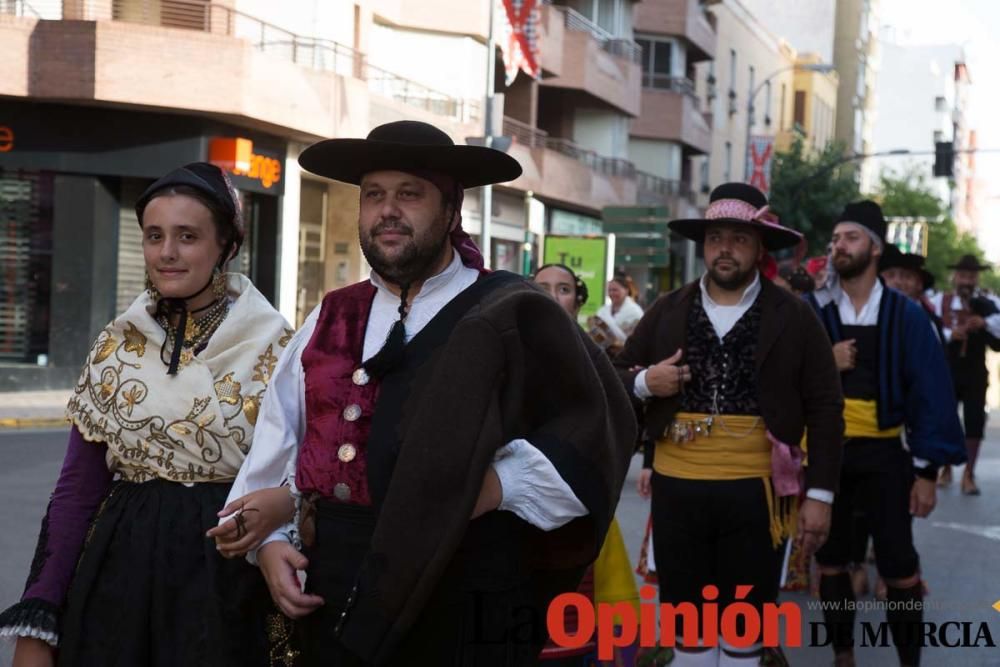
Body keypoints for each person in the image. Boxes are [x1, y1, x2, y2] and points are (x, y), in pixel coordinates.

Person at [223, 120, 637, 666]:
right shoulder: (332, 316)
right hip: (337, 588)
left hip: (465, 583)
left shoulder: (510, 311)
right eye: (374, 195)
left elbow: (595, 431)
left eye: (409, 194)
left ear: (451, 209)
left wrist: (494, 485)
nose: (387, 211)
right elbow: (282, 440)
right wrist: (274, 541)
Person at [0, 163, 292, 666]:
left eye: (187, 236)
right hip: (119, 572)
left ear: (227, 244)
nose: (167, 253)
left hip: (228, 575)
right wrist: (40, 615)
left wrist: (285, 506)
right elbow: (77, 489)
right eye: (154, 236)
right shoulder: (116, 346)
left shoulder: (279, 346)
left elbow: (308, 473)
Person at [615, 183, 844, 666]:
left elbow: (825, 406)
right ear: (703, 245)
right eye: (716, 237)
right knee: (688, 631)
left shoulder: (794, 317)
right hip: (678, 491)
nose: (725, 248)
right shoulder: (667, 309)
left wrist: (820, 496)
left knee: (745, 632)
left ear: (759, 247)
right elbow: (613, 377)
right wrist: (645, 383)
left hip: (758, 492)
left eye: (739, 238)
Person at [807, 200, 965, 667]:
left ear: (874, 249)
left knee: (898, 564)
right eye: (835, 239)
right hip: (827, 454)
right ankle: (843, 654)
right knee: (832, 561)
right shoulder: (811, 311)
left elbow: (932, 394)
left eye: (850, 238)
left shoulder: (907, 315)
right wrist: (824, 363)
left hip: (885, 456)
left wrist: (926, 471)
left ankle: (909, 661)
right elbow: (782, 376)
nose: (839, 246)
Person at [533, 263, 642, 666]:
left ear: (577, 302)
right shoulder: (500, 346)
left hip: (582, 500)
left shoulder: (592, 356)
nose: (550, 295)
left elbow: (618, 417)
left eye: (562, 289)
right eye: (541, 287)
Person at [927, 254, 1000, 495]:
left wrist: (985, 323)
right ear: (954, 277)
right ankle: (945, 467)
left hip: (975, 373)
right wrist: (950, 335)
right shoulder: (939, 302)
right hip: (945, 371)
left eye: (971, 276)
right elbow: (928, 331)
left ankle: (968, 474)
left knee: (974, 423)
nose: (966, 281)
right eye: (963, 276)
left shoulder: (987, 304)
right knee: (946, 420)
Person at [594, 273, 644, 344]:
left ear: (626, 291)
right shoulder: (602, 311)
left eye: (615, 290)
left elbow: (639, 338)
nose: (611, 293)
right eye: (609, 290)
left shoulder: (635, 312)